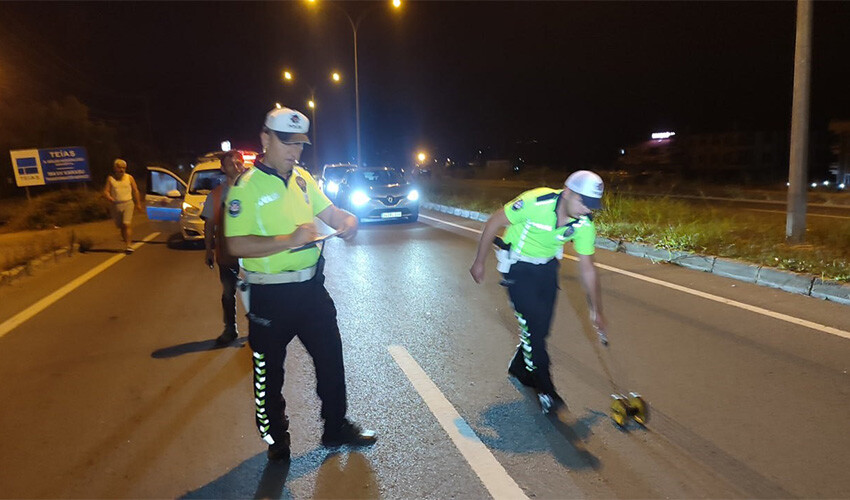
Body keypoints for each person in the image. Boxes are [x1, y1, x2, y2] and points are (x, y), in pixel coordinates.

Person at [224, 106, 376, 462]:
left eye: (300, 145)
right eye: (287, 143)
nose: (294, 152)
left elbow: (331, 212)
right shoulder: (243, 188)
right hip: (268, 295)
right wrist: (287, 240)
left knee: (331, 361)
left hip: (310, 291)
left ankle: (335, 426)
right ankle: (276, 439)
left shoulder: (304, 179)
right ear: (266, 139)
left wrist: (348, 219)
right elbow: (235, 245)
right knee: (267, 374)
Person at [469, 170, 607, 422]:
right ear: (567, 192)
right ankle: (546, 390)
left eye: (592, 206)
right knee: (533, 328)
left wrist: (596, 310)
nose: (588, 211)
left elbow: (588, 268)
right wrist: (479, 261)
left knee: (541, 330)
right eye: (584, 202)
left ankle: (520, 366)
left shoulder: (584, 224)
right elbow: (494, 222)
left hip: (547, 268)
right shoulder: (535, 202)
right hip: (517, 266)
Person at [201, 150, 246, 346]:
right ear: (222, 168)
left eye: (239, 162)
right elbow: (209, 224)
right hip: (226, 254)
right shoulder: (216, 195)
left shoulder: (252, 189)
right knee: (228, 293)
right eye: (231, 163)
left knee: (256, 292)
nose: (236, 166)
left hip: (253, 253)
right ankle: (230, 329)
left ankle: (260, 329)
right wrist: (209, 250)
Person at [103, 158, 143, 254]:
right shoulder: (110, 179)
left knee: (126, 224)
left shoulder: (129, 177)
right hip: (116, 205)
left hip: (128, 203)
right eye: (120, 168)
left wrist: (138, 204)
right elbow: (106, 191)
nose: (122, 170)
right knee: (121, 226)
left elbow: (135, 190)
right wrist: (109, 197)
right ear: (115, 168)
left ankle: (129, 245)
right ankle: (126, 241)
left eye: (124, 168)